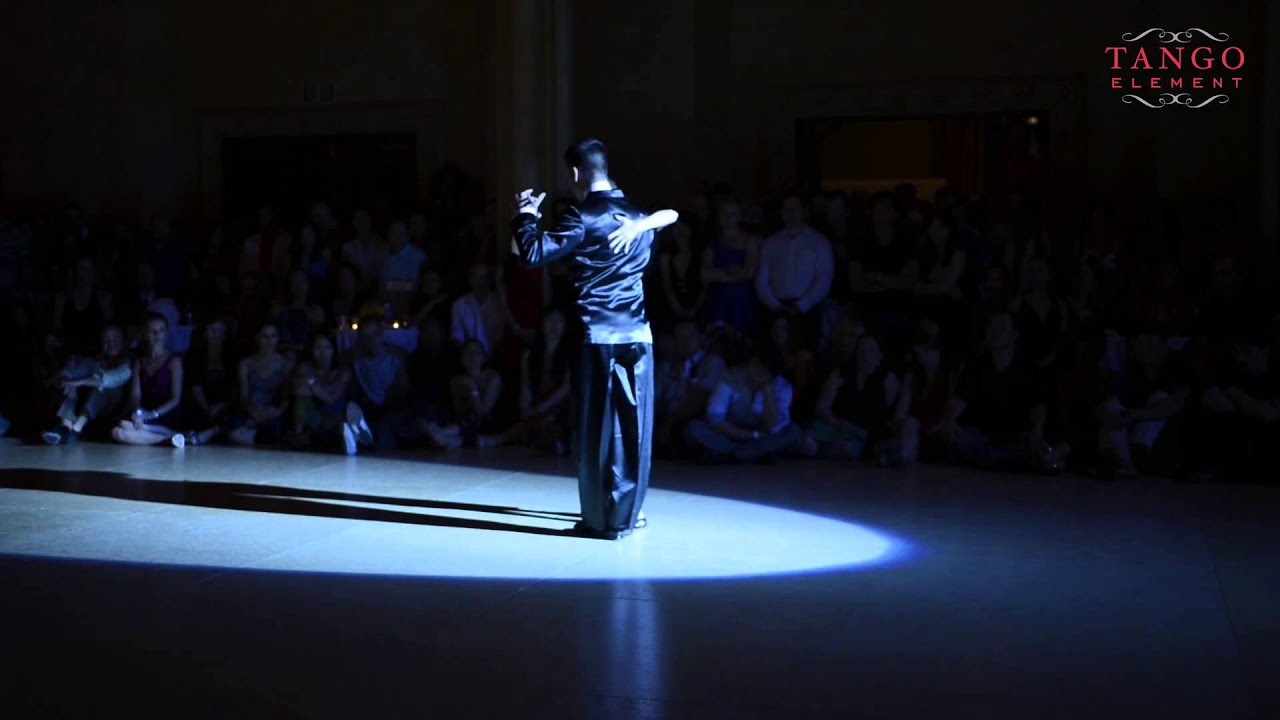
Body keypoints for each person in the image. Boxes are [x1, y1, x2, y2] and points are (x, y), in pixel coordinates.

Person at [510, 138, 678, 540]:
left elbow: (531, 254)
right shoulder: (639, 215)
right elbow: (669, 215)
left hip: (597, 335)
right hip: (639, 334)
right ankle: (629, 512)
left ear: (575, 173)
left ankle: (601, 518)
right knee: (634, 427)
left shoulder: (581, 217)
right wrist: (643, 223)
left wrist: (525, 216)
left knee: (595, 428)